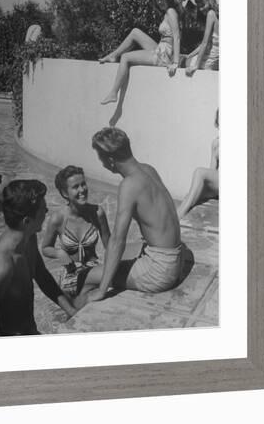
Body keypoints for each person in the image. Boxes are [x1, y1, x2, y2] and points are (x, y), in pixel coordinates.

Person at [74, 127, 183, 308]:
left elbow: (118, 239)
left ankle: (75, 316)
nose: (101, 162)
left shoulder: (129, 185)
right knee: (110, 256)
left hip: (160, 271)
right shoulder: (149, 170)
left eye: (100, 157)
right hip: (174, 257)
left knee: (87, 277)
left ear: (110, 160)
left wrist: (102, 289)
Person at [0, 179, 77, 336]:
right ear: (27, 221)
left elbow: (41, 274)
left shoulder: (28, 238)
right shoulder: (0, 268)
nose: (47, 210)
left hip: (30, 333)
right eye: (43, 209)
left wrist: (70, 309)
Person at [99, 0, 182, 106]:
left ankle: (113, 93)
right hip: (161, 48)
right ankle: (112, 55)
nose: (159, 2)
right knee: (135, 32)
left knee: (126, 57)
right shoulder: (168, 13)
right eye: (157, 0)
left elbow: (177, 36)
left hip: (163, 54)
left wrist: (175, 63)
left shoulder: (171, 12)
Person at [41, 166, 110, 296]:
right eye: (75, 187)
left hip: (93, 270)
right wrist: (59, 253)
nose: (82, 190)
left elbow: (110, 245)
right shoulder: (58, 219)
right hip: (70, 275)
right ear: (65, 193)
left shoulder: (97, 213)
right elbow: (45, 248)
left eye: (83, 184)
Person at [177, 109, 219, 220]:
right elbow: (212, 170)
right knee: (191, 195)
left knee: (199, 172)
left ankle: (177, 218)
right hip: (219, 185)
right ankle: (173, 220)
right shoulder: (216, 144)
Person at [185, 0, 219, 75]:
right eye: (199, 6)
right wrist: (189, 55)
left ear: (209, 1)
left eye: (203, 5)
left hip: (212, 55)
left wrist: (196, 65)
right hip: (212, 53)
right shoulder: (213, 14)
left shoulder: (210, 14)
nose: (201, 9)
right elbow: (204, 44)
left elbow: (205, 43)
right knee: (188, 60)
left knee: (190, 65)